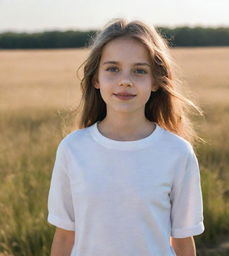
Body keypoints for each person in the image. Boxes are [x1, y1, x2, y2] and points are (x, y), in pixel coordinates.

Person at [47, 17, 205, 256]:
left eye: (139, 71)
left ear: (155, 81)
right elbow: (64, 236)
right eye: (113, 68)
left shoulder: (177, 153)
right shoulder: (72, 149)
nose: (125, 81)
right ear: (96, 79)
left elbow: (183, 240)